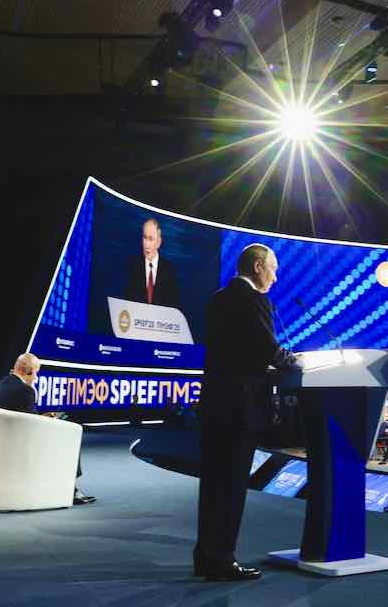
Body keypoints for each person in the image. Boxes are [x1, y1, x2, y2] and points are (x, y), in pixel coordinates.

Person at [195, 243, 301, 582]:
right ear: (257, 266)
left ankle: (205, 556)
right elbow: (267, 348)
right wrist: (294, 362)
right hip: (240, 408)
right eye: (273, 269)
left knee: (213, 485)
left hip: (214, 404)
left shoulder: (218, 298)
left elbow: (236, 352)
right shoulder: (254, 299)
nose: (275, 277)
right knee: (232, 486)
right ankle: (223, 560)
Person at [0, 353, 95, 506]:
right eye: (36, 372)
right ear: (29, 371)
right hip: (22, 443)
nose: (36, 377)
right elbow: (32, 426)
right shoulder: (25, 390)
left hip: (3, 438)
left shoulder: (2, 384)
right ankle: (70, 490)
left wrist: (43, 417)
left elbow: (25, 416)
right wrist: (51, 420)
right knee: (68, 438)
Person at [125, 217, 181, 308]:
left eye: (151, 239)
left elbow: (174, 305)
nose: (146, 245)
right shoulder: (133, 266)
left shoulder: (170, 271)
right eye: (145, 238)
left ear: (158, 242)